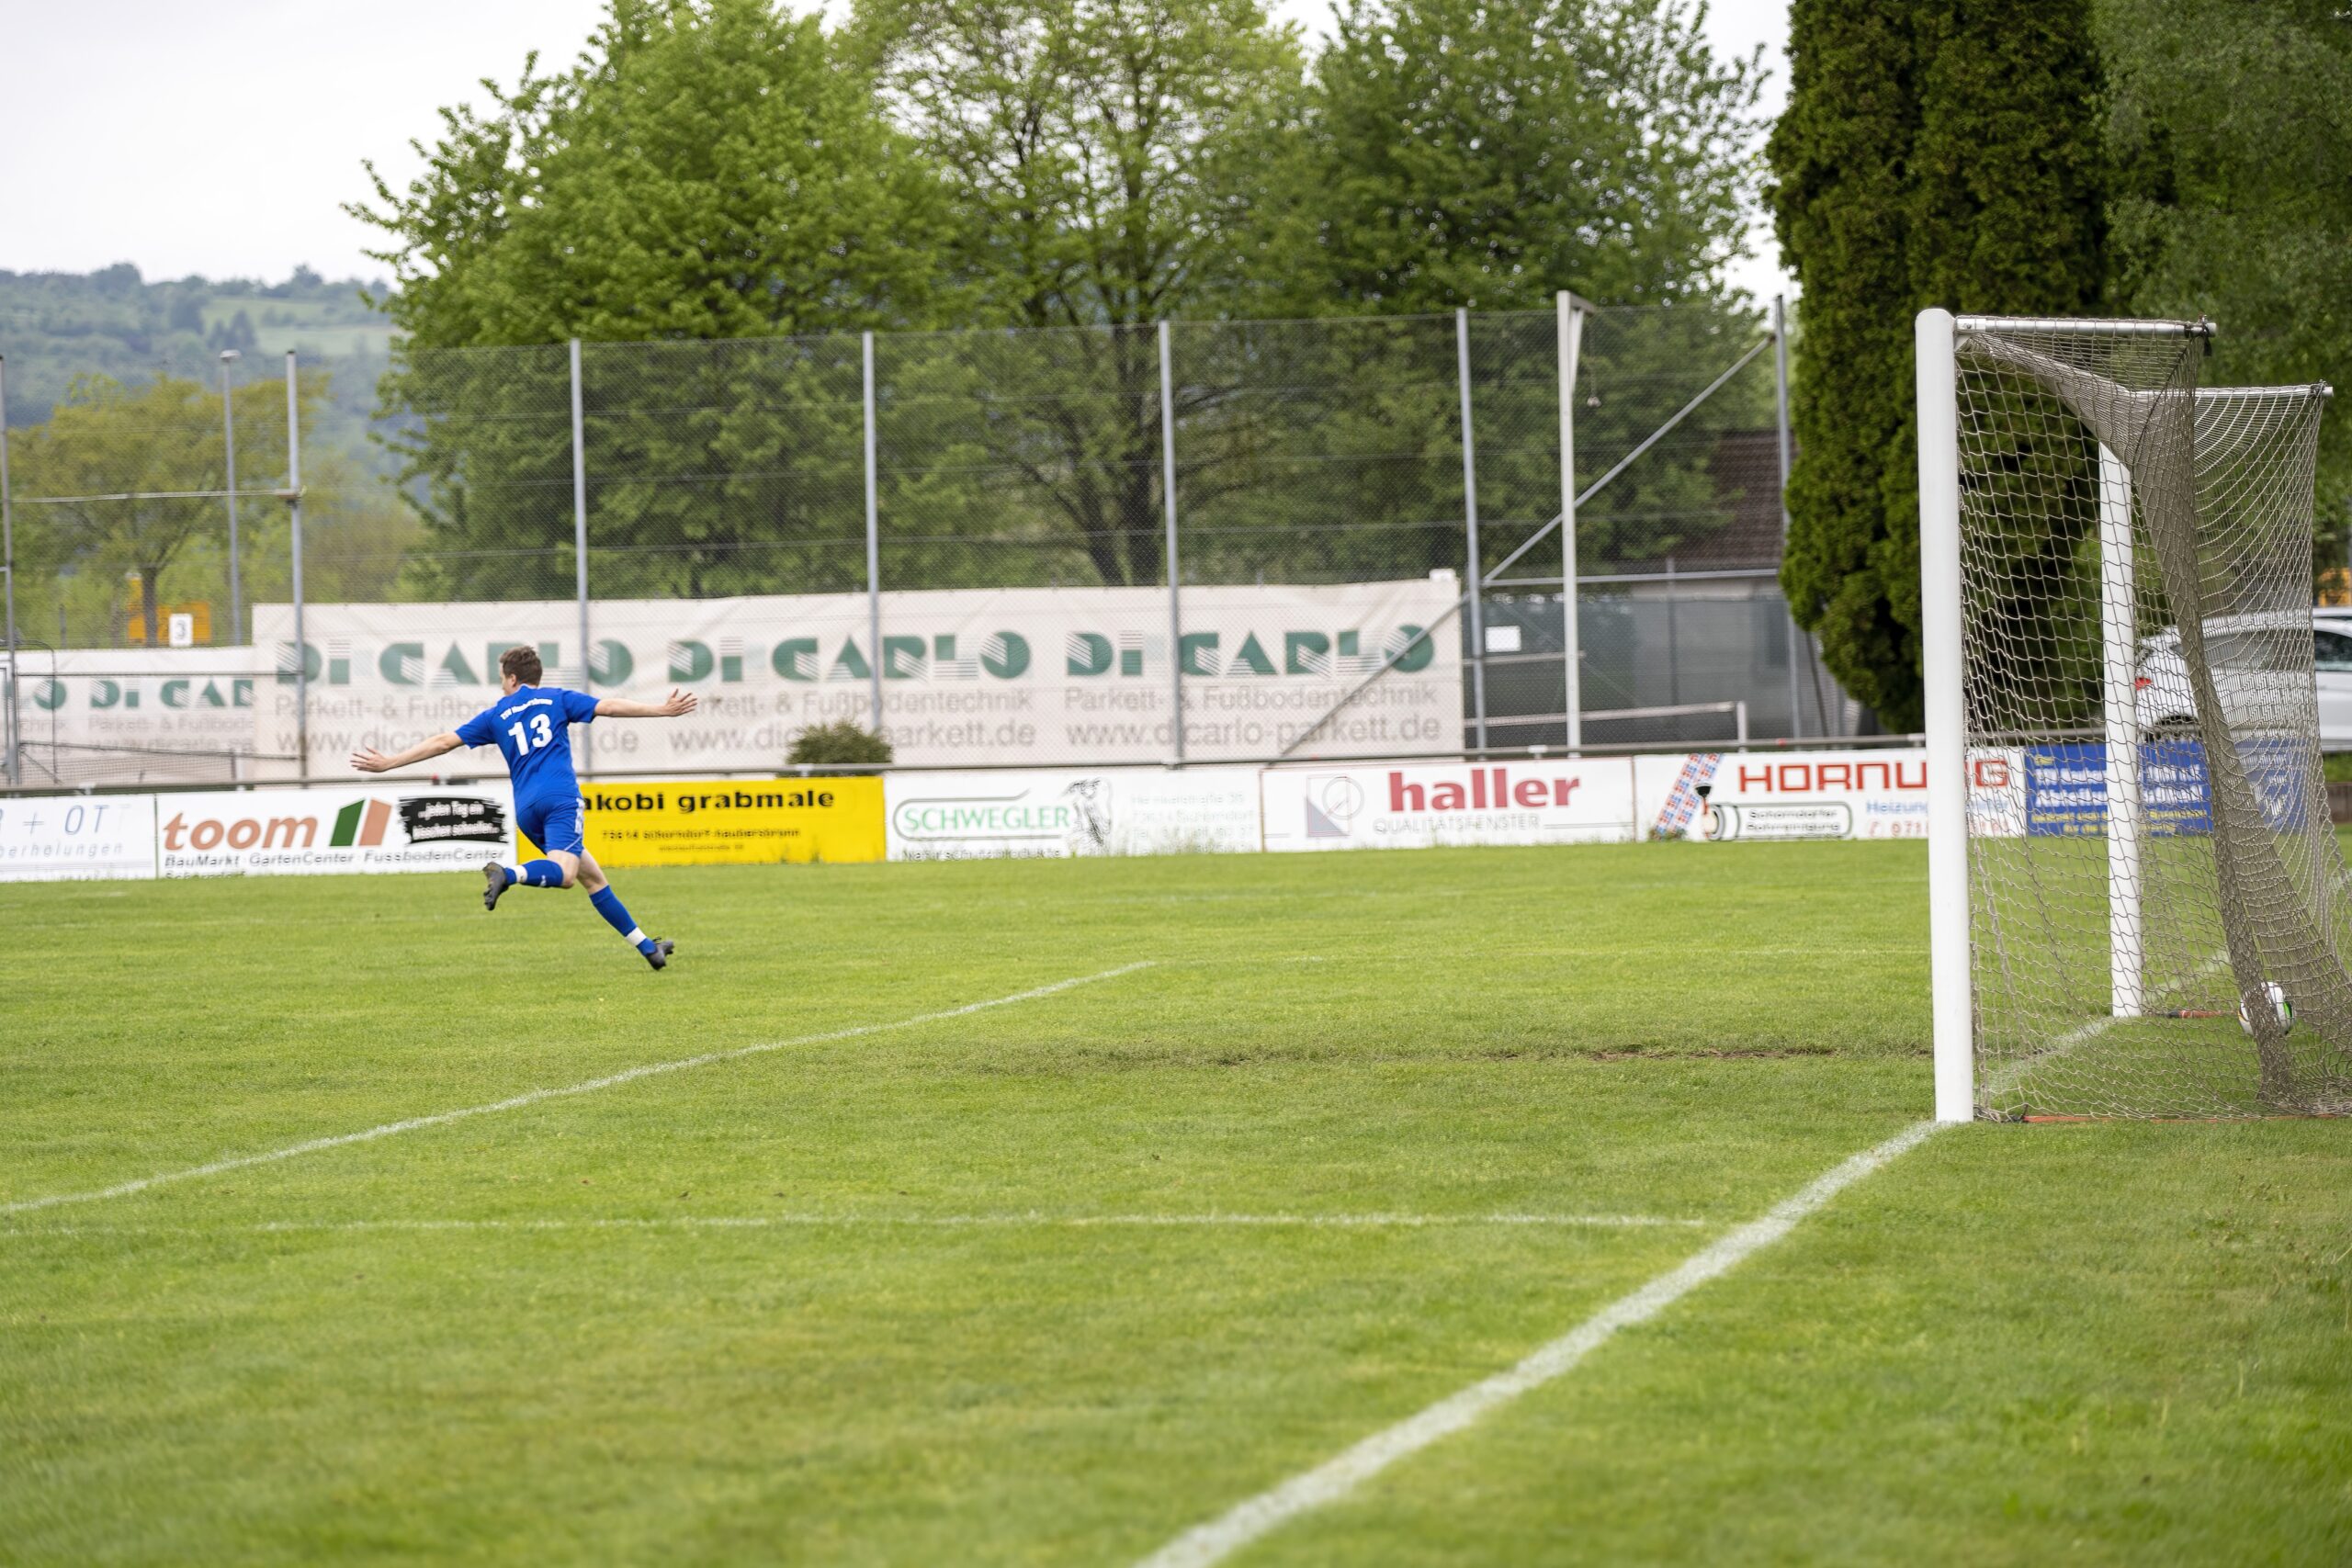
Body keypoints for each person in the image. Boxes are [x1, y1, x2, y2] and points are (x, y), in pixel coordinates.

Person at [351, 646, 698, 970]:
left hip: (526, 810)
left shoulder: (496, 714)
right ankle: (509, 874)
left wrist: (391, 762)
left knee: (591, 878)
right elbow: (608, 706)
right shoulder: (558, 699)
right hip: (560, 800)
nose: (502, 685)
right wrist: (661, 709)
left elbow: (443, 742)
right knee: (563, 875)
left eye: (502, 678)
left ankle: (649, 950)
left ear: (513, 678)